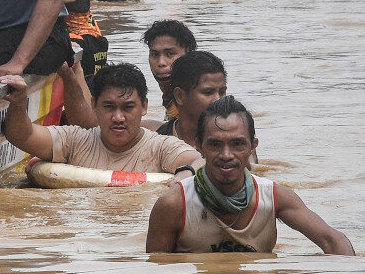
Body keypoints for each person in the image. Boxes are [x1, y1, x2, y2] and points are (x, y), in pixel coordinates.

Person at [146, 97, 354, 255]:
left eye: (237, 144)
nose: (226, 155)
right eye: (215, 144)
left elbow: (333, 242)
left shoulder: (275, 197)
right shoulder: (173, 203)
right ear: (199, 145)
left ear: (252, 147)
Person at [0, 64, 203, 175]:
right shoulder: (75, 140)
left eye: (128, 107)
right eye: (108, 107)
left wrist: (183, 178)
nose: (118, 117)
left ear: (144, 107)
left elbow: (200, 163)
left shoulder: (161, 148)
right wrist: (18, 102)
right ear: (94, 105)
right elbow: (23, 135)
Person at [158, 51, 227, 151]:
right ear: (179, 96)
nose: (218, 99)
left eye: (222, 92)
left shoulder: (235, 138)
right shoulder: (157, 143)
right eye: (208, 92)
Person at [142, 19, 198, 121]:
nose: (161, 63)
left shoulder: (194, 101)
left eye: (170, 54)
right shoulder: (171, 97)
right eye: (155, 54)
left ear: (189, 54)